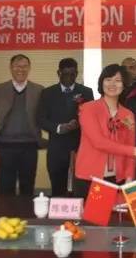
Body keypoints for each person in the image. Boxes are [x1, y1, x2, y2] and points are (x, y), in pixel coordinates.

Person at [73, 64, 136, 198]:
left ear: (124, 85)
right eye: (108, 79)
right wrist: (135, 151)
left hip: (116, 179)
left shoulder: (128, 115)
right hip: (89, 177)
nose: (112, 84)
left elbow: (129, 147)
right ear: (101, 82)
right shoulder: (88, 109)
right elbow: (98, 142)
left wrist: (130, 177)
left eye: (118, 80)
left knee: (116, 212)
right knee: (92, 213)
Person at [0, 54, 44, 196]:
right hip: (4, 146)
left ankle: (26, 211)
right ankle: (5, 211)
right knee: (5, 189)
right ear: (11, 68)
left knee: (27, 188)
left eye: (24, 66)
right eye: (17, 66)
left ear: (29, 68)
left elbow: (47, 116)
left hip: (29, 146)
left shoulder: (38, 90)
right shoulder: (0, 89)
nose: (21, 70)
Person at [37, 58, 94, 196]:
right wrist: (59, 128)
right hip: (56, 148)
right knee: (58, 189)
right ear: (59, 73)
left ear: (77, 74)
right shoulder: (48, 93)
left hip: (80, 147)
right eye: (65, 74)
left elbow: (91, 118)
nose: (69, 78)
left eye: (72, 74)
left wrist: (78, 123)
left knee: (81, 188)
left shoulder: (86, 92)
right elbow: (41, 119)